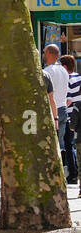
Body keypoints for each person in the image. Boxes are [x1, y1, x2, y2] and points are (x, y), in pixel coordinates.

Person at [43, 44, 73, 184]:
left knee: (51, 144)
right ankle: (62, 174)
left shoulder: (47, 71)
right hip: (63, 109)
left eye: (44, 52)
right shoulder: (64, 70)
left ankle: (54, 175)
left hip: (52, 110)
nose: (43, 54)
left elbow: (49, 95)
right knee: (60, 143)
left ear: (48, 53)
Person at [66, 54, 81, 184]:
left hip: (71, 116)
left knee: (70, 144)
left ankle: (73, 174)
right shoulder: (79, 77)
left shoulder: (67, 79)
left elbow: (68, 100)